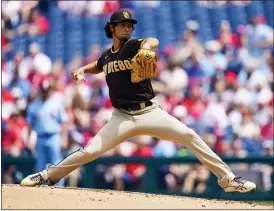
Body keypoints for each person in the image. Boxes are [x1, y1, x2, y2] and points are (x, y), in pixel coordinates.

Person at [21, 9, 256, 193]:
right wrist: (83, 68)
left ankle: (229, 180)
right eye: (122, 24)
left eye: (130, 25)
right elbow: (99, 65)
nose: (127, 27)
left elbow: (152, 40)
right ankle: (46, 176)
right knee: (90, 151)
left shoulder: (134, 46)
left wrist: (145, 46)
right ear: (111, 28)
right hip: (121, 117)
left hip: (149, 112)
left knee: (190, 136)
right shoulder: (107, 55)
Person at [24, 79, 68, 186]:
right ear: (39, 90)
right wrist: (29, 139)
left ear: (50, 90)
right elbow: (30, 124)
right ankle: (42, 191)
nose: (45, 92)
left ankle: (59, 188)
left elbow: (63, 122)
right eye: (43, 90)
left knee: (57, 165)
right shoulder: (34, 106)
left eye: (47, 90)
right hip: (40, 138)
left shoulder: (57, 103)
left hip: (54, 137)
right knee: (40, 166)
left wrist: (64, 138)